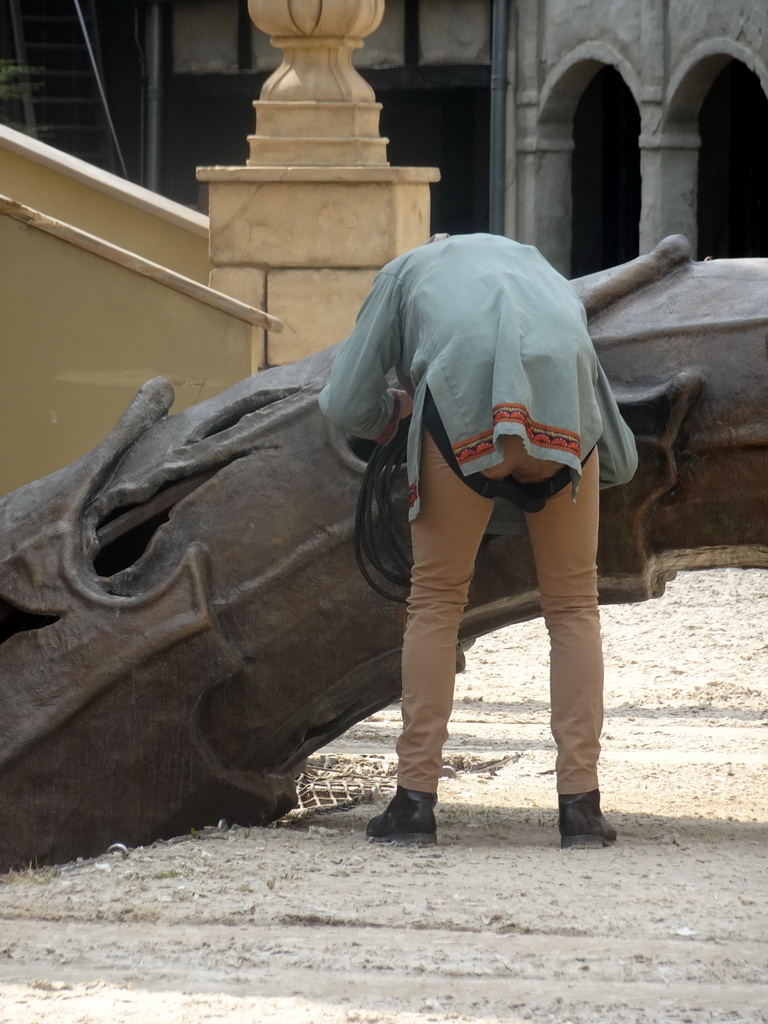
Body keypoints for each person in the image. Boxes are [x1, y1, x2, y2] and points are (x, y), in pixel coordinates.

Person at [318, 233, 638, 848]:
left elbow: (345, 402)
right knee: (573, 607)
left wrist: (394, 415)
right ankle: (581, 809)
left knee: (436, 604)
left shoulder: (405, 272)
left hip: (459, 417)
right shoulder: (542, 270)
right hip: (562, 423)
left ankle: (414, 804)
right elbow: (616, 449)